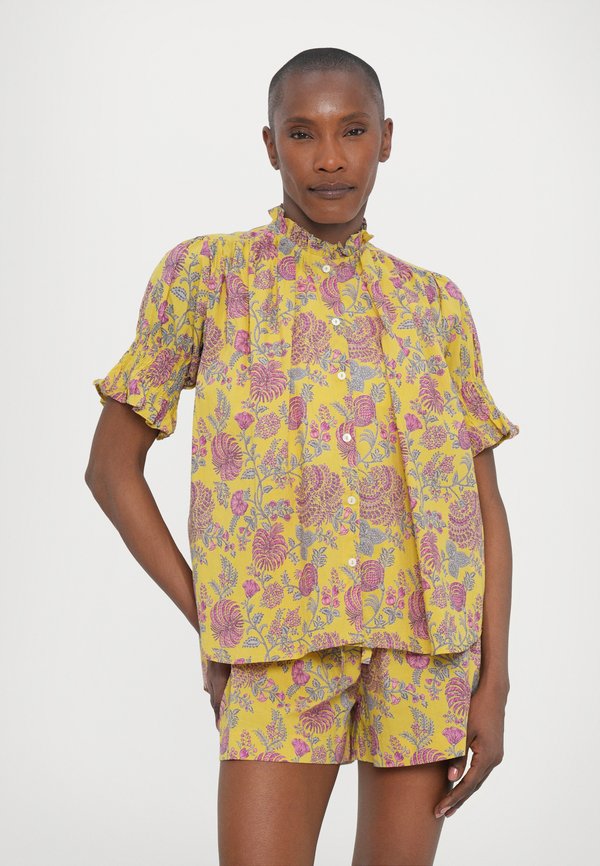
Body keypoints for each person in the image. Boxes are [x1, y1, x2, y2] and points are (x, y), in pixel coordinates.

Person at [86, 46, 520, 866]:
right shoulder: (207, 276)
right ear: (269, 144)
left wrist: (493, 683)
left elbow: (482, 505)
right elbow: (110, 471)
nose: (328, 158)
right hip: (274, 651)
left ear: (385, 138)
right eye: (301, 132)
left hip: (425, 652)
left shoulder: (434, 304)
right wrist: (214, 620)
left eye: (352, 131)